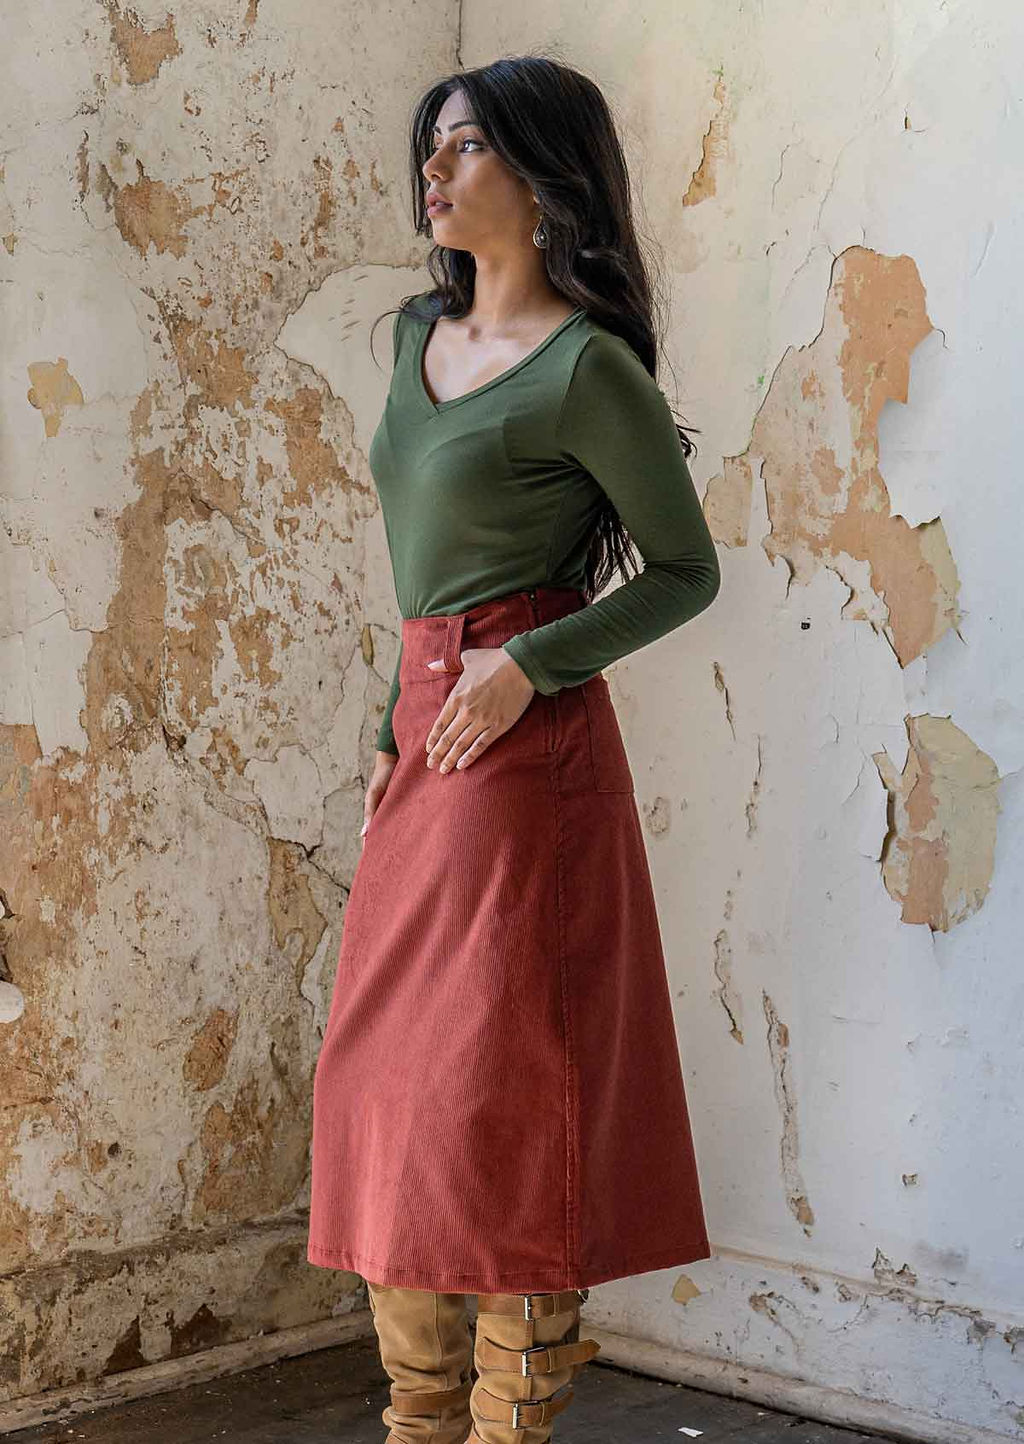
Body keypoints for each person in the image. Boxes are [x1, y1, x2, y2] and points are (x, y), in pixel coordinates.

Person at [307, 53, 722, 1444]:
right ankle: (420, 1421)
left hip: (521, 753)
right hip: (426, 732)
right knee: (386, 1089)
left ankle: (503, 1427)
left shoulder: (587, 368)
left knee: (500, 1094)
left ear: (544, 177)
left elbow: (686, 571)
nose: (433, 171)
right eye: (431, 145)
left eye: (468, 145)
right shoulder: (410, 341)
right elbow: (422, 570)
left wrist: (529, 667)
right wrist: (391, 720)